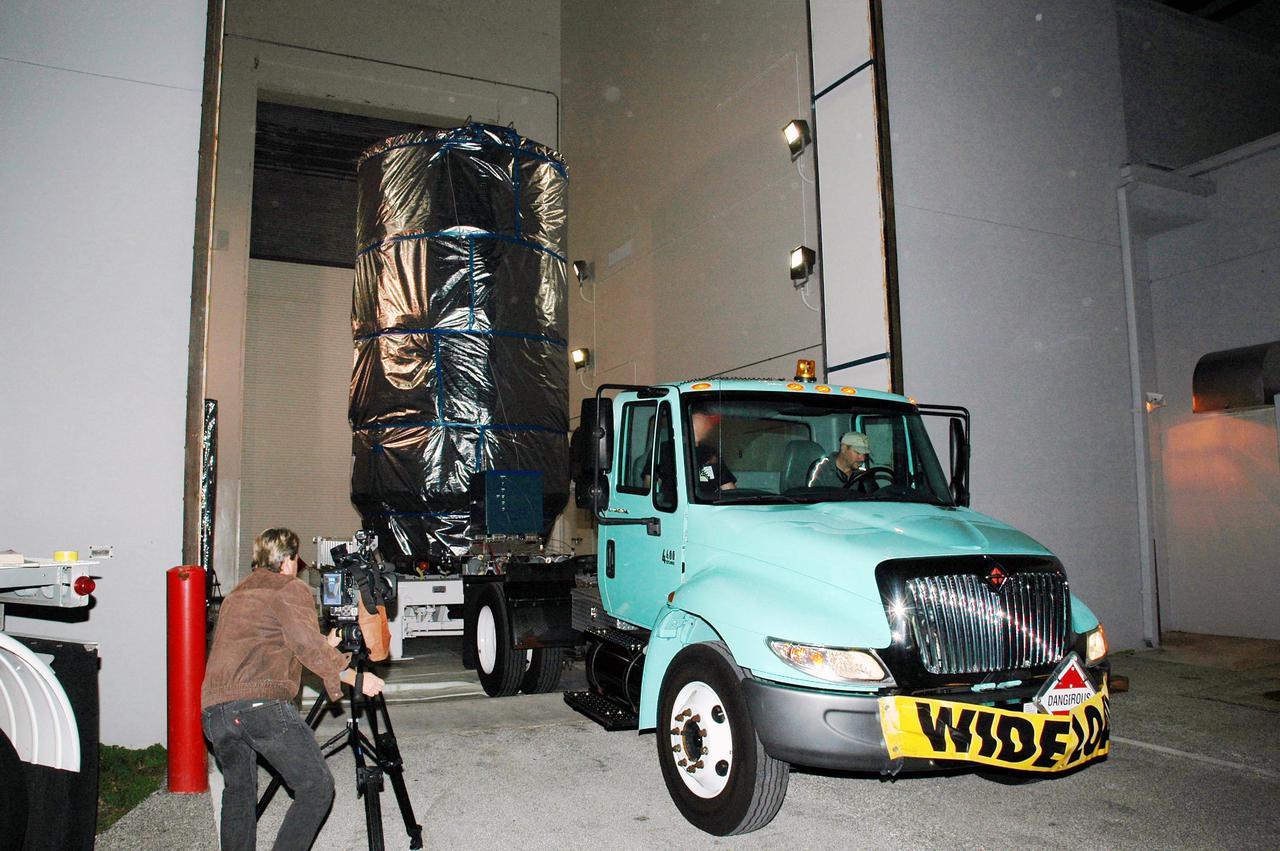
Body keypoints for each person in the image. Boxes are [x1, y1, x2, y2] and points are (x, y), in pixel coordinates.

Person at [201, 528, 385, 851]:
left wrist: (325, 644)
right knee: (316, 786)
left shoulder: (235, 596)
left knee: (239, 793)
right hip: (260, 708)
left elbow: (268, 646)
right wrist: (357, 678)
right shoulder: (288, 587)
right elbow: (306, 647)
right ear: (287, 560)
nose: (297, 568)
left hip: (215, 712)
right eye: (297, 561)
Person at [690, 409, 737, 499]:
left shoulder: (710, 453)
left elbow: (728, 488)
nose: (709, 426)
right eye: (702, 419)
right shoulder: (668, 450)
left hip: (707, 504)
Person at [807, 431, 876, 491]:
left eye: (865, 454)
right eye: (858, 453)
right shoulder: (821, 469)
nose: (862, 459)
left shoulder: (862, 474)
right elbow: (812, 497)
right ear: (843, 448)